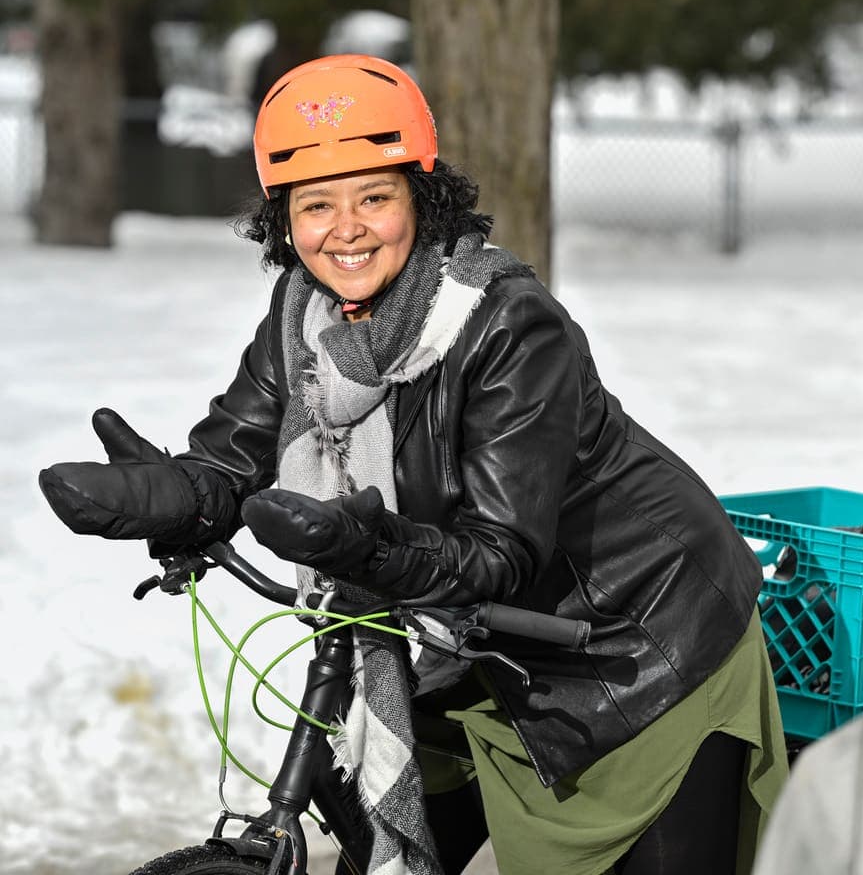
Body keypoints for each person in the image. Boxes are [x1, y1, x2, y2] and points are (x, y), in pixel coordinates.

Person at [39, 54, 788, 875]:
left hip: (632, 645)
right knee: (360, 792)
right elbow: (236, 450)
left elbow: (502, 549)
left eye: (374, 197)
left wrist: (370, 553)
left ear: (420, 200)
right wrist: (180, 498)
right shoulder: (305, 317)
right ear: (283, 221)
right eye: (316, 204)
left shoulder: (507, 325)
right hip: (467, 641)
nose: (346, 228)